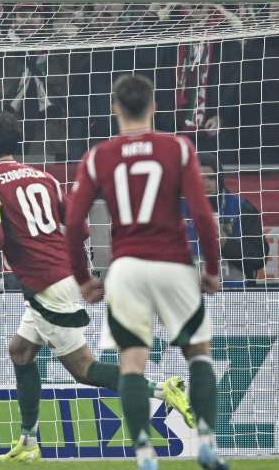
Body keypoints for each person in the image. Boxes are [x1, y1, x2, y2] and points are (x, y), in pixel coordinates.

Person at [0, 110, 192, 462]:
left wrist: (1, 235)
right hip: (66, 274)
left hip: (46, 284)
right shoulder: (43, 178)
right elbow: (82, 229)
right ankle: (28, 442)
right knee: (20, 352)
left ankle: (163, 389)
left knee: (84, 369)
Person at [64, 74, 226, 470]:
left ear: (115, 109)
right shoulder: (178, 149)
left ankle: (143, 454)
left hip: (127, 268)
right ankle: (206, 442)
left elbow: (72, 223)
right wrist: (212, 269)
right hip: (174, 264)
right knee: (198, 355)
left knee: (132, 364)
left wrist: (85, 278)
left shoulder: (98, 156)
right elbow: (203, 216)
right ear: (154, 106)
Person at [193, 154, 266, 287]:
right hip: (190, 297)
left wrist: (225, 243)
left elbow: (259, 258)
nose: (205, 183)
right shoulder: (177, 210)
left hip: (237, 297)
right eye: (199, 178)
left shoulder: (242, 208)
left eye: (211, 177)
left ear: (219, 178)